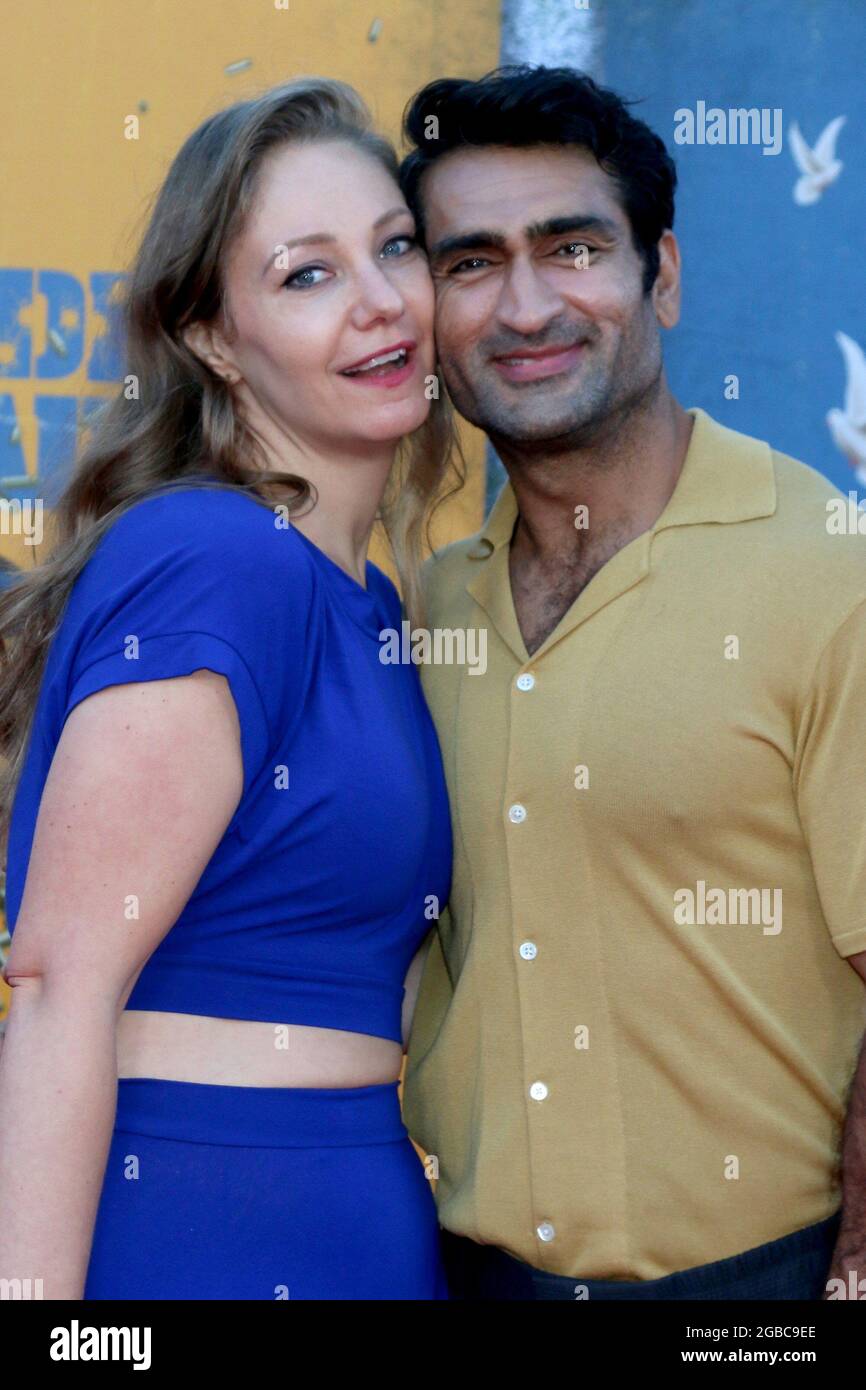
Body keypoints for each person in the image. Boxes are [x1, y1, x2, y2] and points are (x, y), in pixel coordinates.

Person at [398, 65, 866, 1300]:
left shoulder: (827, 575)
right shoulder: (427, 608)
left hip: (759, 1288)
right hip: (467, 1276)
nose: (526, 304)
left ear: (659, 275)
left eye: (571, 248)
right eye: (469, 262)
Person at [0, 77, 459, 1300]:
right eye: (305, 275)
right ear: (211, 337)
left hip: (353, 1225)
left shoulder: (368, 602)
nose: (377, 304)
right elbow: (57, 988)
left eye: (394, 248)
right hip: (197, 1226)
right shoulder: (215, 557)